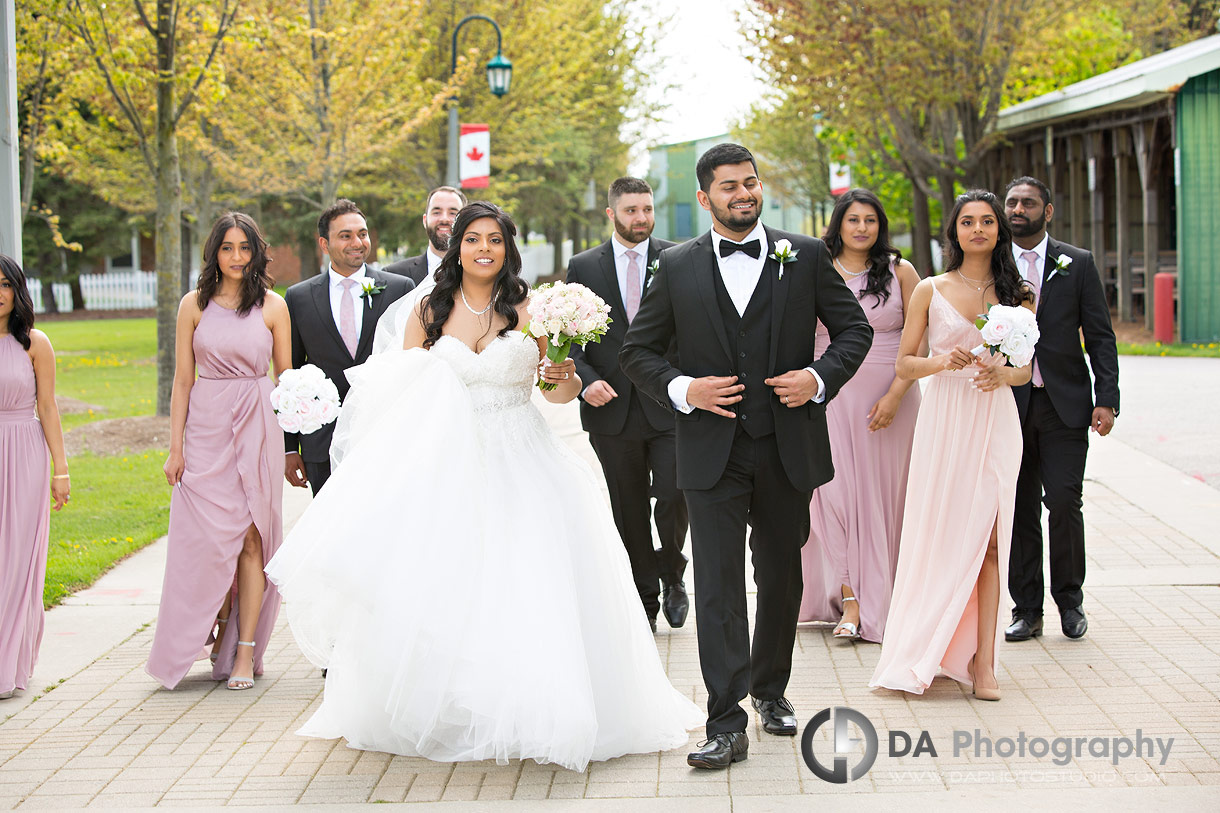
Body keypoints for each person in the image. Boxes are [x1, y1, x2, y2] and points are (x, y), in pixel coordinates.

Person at [265, 201, 702, 773]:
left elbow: (555, 397)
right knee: (450, 580)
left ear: (508, 248)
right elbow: (400, 394)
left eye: (495, 239)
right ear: (458, 247)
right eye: (473, 239)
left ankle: (534, 705)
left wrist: (566, 375)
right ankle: (450, 706)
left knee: (526, 582)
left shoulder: (531, 309)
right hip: (447, 463)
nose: (484, 249)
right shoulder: (426, 310)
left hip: (523, 457)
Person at [620, 143, 872, 769]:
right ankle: (725, 719)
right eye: (729, 186)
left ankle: (772, 690)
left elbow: (855, 332)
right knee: (718, 584)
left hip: (788, 448)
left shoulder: (806, 256)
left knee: (781, 577)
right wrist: (685, 390)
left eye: (751, 182)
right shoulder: (676, 266)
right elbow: (638, 351)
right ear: (705, 198)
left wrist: (816, 378)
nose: (744, 194)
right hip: (710, 453)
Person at [869, 189, 1036, 702]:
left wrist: (1001, 373)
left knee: (989, 541)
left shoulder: (1019, 294)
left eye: (988, 221)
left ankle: (984, 665)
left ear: (999, 230)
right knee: (943, 536)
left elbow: (1026, 370)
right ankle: (930, 645)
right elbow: (905, 364)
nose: (979, 229)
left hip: (994, 420)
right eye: (969, 222)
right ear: (955, 231)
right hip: (944, 420)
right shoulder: (931, 289)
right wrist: (945, 363)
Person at [146, 213, 292, 691]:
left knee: (252, 539)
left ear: (256, 252)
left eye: (244, 248)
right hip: (205, 427)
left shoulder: (273, 307)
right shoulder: (194, 305)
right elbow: (182, 381)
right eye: (227, 248)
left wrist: (294, 430)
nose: (236, 257)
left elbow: (287, 379)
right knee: (209, 542)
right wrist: (175, 448)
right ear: (215, 253)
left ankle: (245, 651)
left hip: (255, 424)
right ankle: (213, 632)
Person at [566, 177, 689, 632]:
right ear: (612, 213)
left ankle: (674, 574)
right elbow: (567, 339)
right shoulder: (583, 266)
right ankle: (644, 593)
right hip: (611, 407)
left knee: (676, 495)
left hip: (670, 403)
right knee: (628, 506)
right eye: (631, 210)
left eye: (647, 209)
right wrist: (586, 382)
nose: (641, 218)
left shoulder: (679, 257)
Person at [799, 189, 922, 643]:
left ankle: (888, 596)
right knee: (834, 496)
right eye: (853, 219)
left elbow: (920, 342)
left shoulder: (900, 271)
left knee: (885, 500)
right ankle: (851, 597)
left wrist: (894, 395)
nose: (862, 228)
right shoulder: (814, 267)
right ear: (838, 224)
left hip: (892, 400)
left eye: (871, 220)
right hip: (830, 398)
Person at [1002, 176, 1120, 643]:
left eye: (1028, 203)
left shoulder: (1079, 263)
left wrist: (1106, 399)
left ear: (1047, 211)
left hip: (1065, 404)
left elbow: (1101, 336)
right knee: (1018, 507)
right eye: (1011, 202)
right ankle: (1026, 609)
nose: (1018, 209)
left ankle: (1070, 601)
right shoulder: (991, 265)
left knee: (1065, 502)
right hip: (1009, 404)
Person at [284, 200, 414, 494]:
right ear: (324, 243)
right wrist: (290, 448)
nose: (358, 243)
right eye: (346, 236)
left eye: (363, 234)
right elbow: (289, 373)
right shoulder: (299, 297)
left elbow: (412, 364)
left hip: (384, 434)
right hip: (321, 440)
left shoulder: (399, 289)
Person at [0, 256, 69, 701]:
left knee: (18, 558)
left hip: (25, 453)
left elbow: (48, 407)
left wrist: (60, 469)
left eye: (6, 285)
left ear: (17, 290)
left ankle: (9, 663)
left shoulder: (34, 343)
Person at [381, 186, 467, 284]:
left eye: (452, 213)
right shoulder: (394, 274)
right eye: (437, 212)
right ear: (425, 220)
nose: (444, 219)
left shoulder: (479, 275)